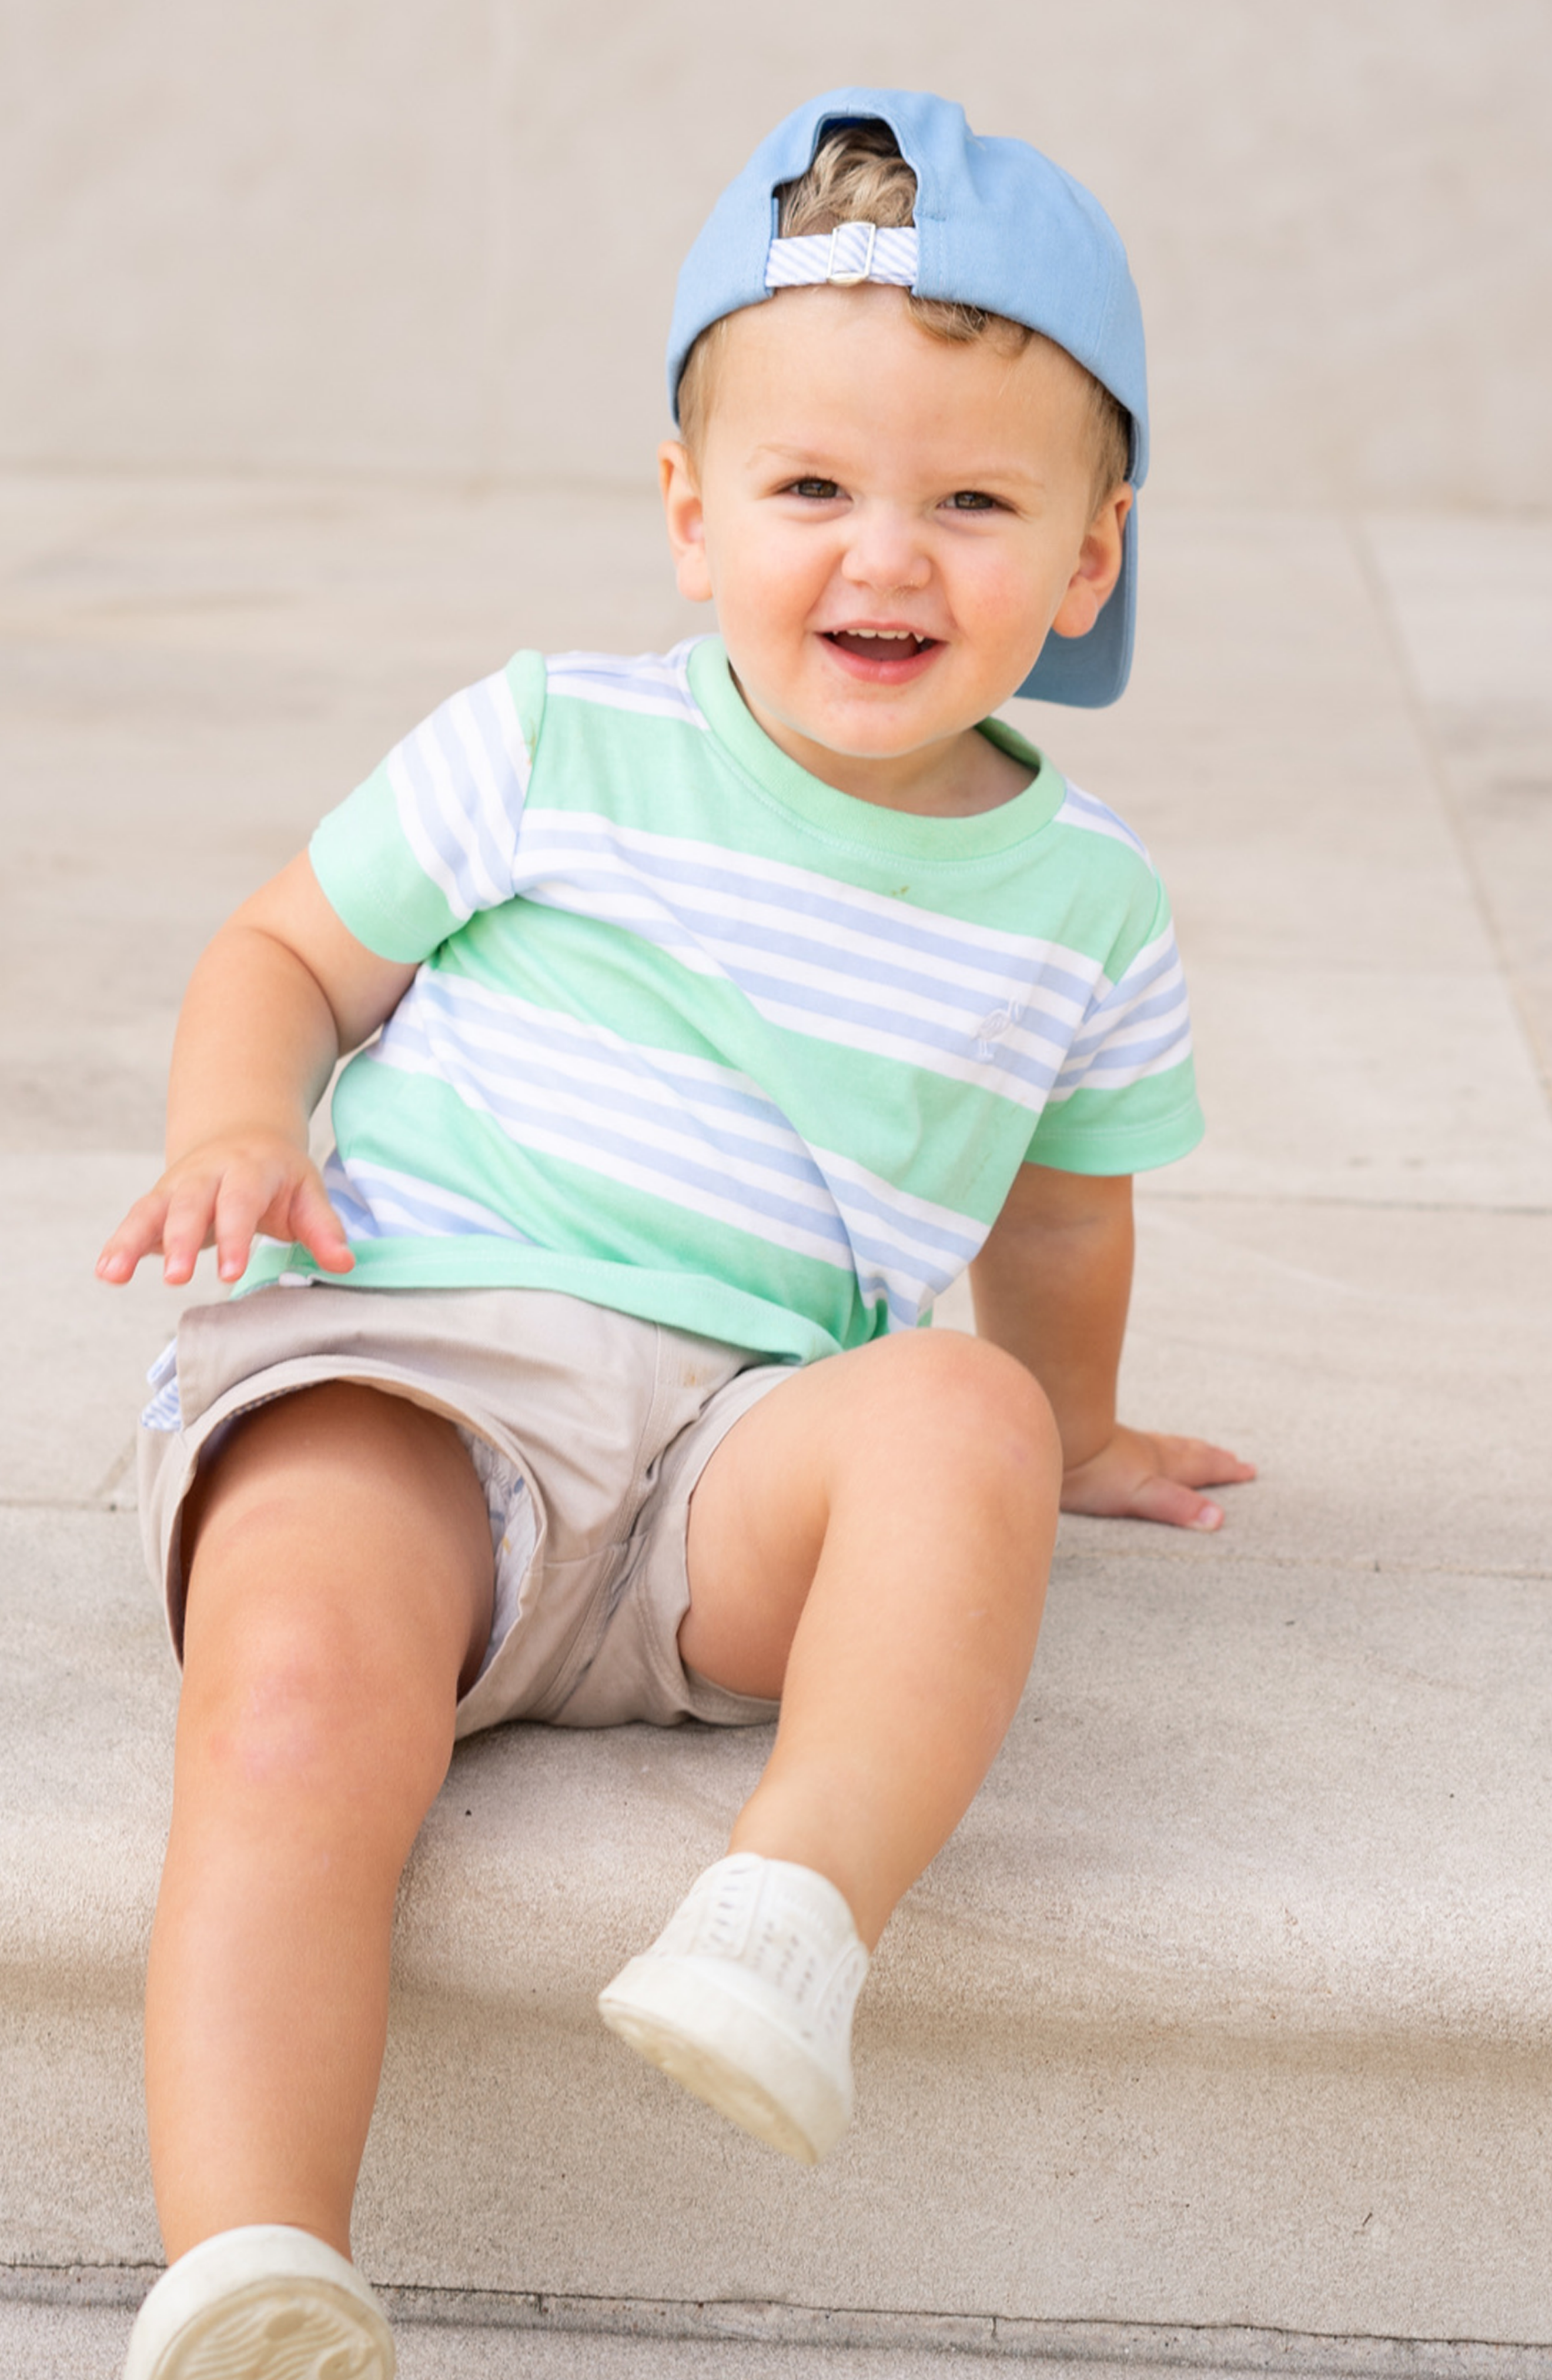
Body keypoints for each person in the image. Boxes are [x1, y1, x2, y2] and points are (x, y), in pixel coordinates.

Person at [100, 87, 1255, 2380]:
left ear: (1093, 559)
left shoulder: (1087, 902)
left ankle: (789, 1911)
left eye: (973, 502)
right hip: (416, 1365)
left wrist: (1076, 1425)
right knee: (298, 1697)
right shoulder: (545, 744)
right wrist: (242, 1115)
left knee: (959, 1405)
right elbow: (286, 953)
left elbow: (1058, 1217)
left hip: (732, 1451)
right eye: (812, 487)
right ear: (687, 510)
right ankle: (253, 2260)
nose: (885, 557)